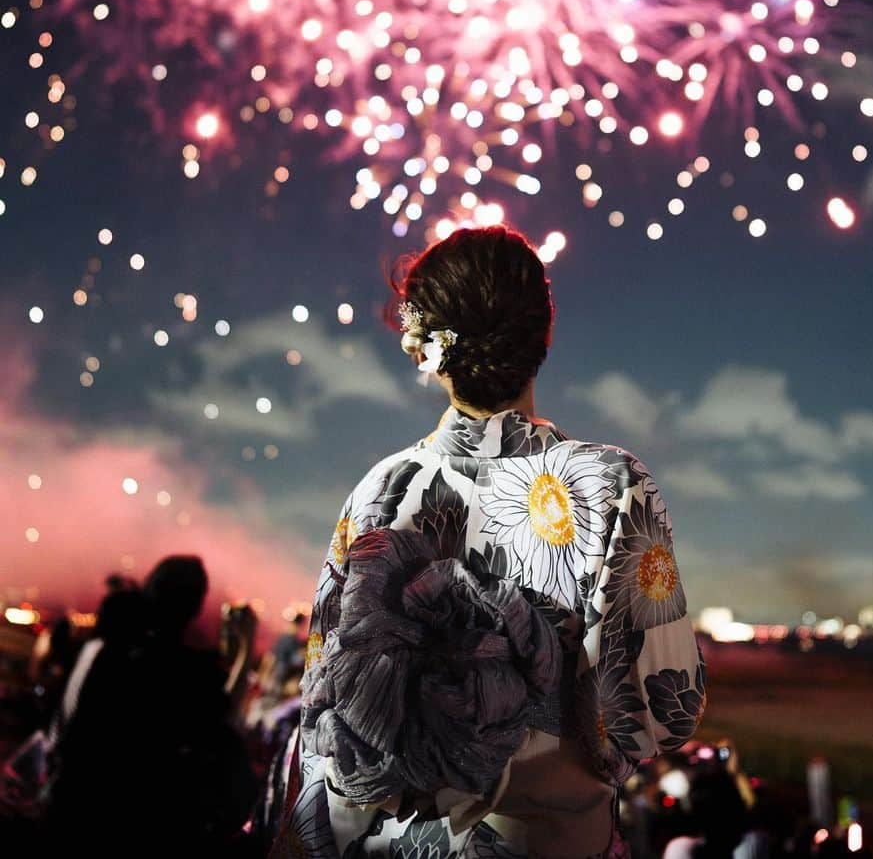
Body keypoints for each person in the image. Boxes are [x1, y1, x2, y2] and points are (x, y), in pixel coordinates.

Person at [274, 225, 705, 858]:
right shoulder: (609, 483)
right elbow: (656, 712)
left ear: (429, 349)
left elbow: (326, 703)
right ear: (542, 338)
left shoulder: (377, 491)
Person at [48, 555, 254, 858]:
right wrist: (246, 646)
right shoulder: (177, 667)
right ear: (195, 608)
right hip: (129, 825)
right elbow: (221, 713)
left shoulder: (101, 646)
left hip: (71, 803)